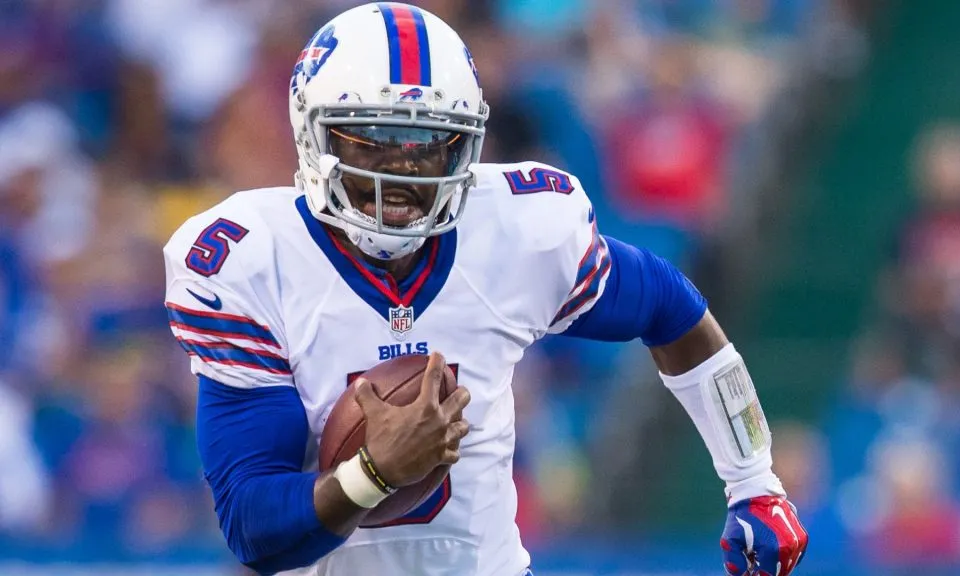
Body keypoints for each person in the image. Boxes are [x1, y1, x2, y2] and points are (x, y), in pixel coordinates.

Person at [162, 3, 809, 575]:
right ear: (314, 136)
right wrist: (375, 473)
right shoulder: (252, 260)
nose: (402, 173)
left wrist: (753, 479)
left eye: (426, 146)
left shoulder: (517, 230)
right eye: (374, 143)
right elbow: (254, 529)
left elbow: (670, 307)